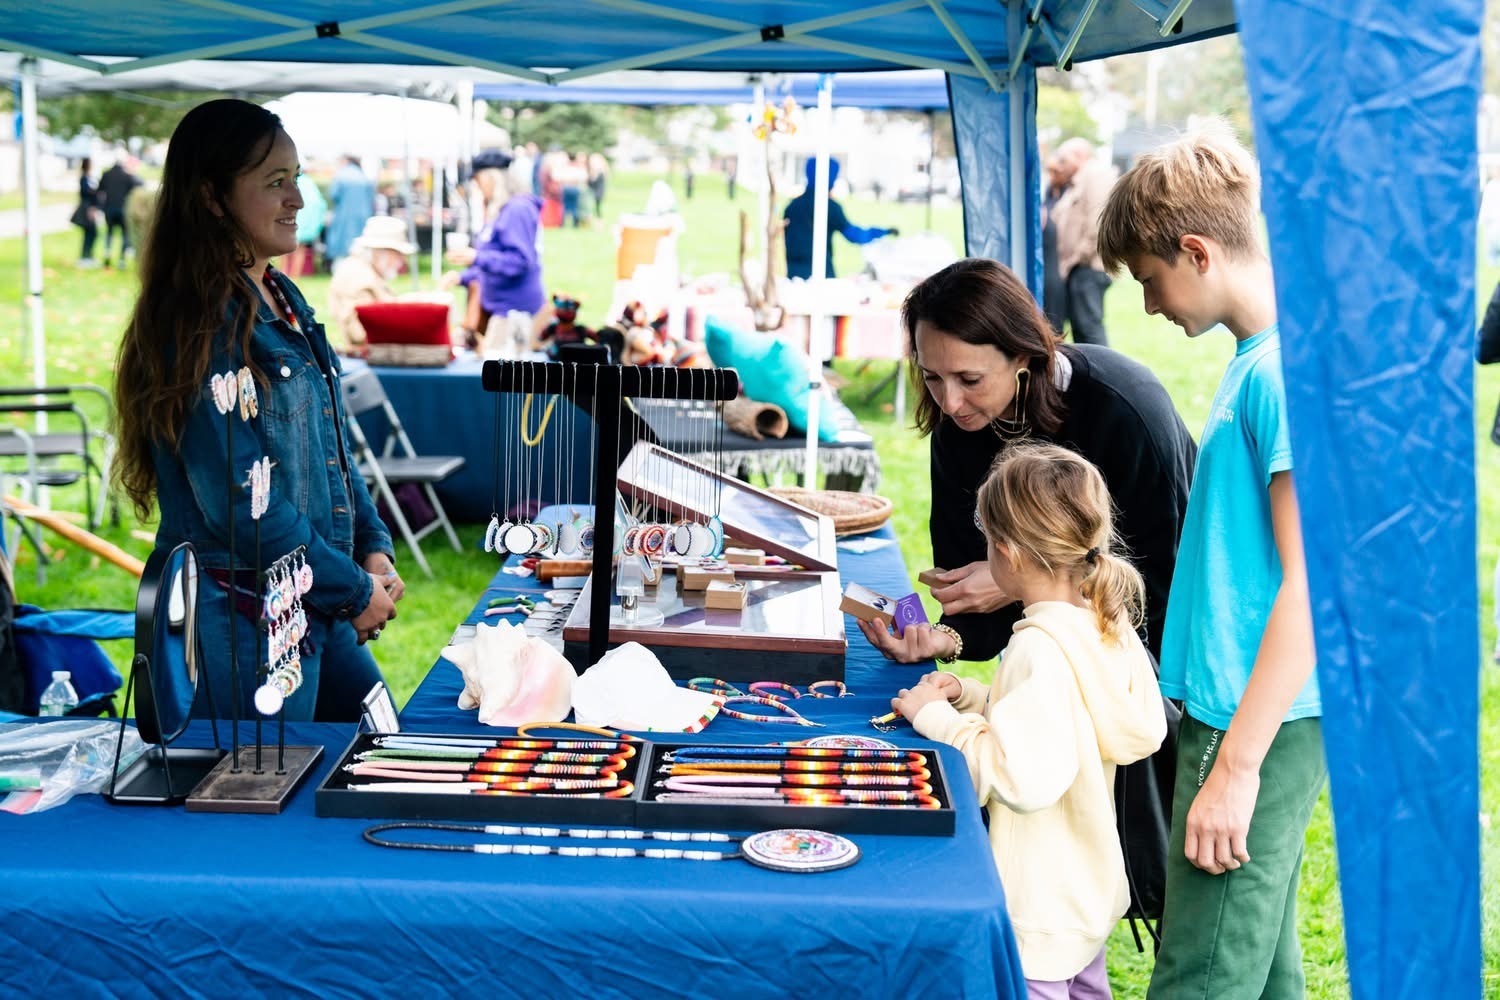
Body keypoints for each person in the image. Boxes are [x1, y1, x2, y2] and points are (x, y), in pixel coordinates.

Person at [1097, 123, 1323, 999]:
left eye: (1150, 281)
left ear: (1195, 251)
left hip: (1249, 719)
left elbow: (1313, 587)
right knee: (1259, 965)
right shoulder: (1252, 361)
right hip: (1238, 710)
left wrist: (1234, 767)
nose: (1149, 306)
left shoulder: (1280, 377)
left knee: (1199, 971)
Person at [111, 99, 401, 723]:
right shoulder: (197, 323)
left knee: (379, 746)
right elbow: (242, 504)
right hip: (245, 618)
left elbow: (332, 449)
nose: (298, 198)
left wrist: (372, 548)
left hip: (314, 594)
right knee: (265, 800)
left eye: (296, 176)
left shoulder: (280, 293)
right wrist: (352, 589)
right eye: (275, 183)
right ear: (212, 198)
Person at [891, 442, 1166, 996]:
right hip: (1083, 892)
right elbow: (1077, 718)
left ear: (1008, 554)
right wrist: (973, 696)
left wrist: (938, 719)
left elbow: (1020, 776)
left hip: (1038, 908)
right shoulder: (1100, 623)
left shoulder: (1039, 648)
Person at [858, 257, 1195, 669]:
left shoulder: (1126, 410)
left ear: (1023, 356)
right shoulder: (958, 425)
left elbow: (1154, 586)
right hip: (1051, 663)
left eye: (970, 379)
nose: (950, 403)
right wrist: (944, 639)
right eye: (932, 377)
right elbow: (968, 581)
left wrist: (1017, 583)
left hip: (1164, 662)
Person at [445, 149, 544, 351]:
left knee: (500, 376)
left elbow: (520, 261)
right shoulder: (503, 210)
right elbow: (495, 259)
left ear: (492, 178)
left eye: (479, 181)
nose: (478, 188)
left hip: (515, 311)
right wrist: (463, 277)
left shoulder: (517, 210)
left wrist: (477, 257)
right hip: (502, 309)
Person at [782, 157, 897, 280]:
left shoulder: (791, 207)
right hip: (821, 274)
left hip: (793, 275)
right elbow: (856, 235)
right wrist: (883, 232)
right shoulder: (829, 207)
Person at [1051, 138, 1118, 345]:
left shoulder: (1094, 174)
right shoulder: (1076, 182)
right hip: (1078, 269)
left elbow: (1097, 223)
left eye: (1065, 159)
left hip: (1088, 268)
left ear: (1080, 155)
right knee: (1082, 331)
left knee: (1089, 330)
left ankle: (1103, 376)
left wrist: (1074, 259)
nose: (1061, 166)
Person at [327, 215, 417, 355]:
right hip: (373, 359)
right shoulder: (358, 276)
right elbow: (359, 334)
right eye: (398, 254)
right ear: (379, 252)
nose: (402, 260)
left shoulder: (365, 272)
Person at [326, 154, 376, 265]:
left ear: (345, 160)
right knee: (360, 248)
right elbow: (372, 199)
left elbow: (333, 195)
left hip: (343, 216)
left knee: (342, 250)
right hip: (363, 217)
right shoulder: (364, 176)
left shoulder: (341, 176)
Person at [1041, 150, 1070, 335]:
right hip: (1047, 251)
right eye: (1050, 172)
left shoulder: (1069, 193)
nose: (1053, 177)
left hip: (1059, 255)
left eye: (1056, 172)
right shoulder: (1049, 192)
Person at [98, 157, 142, 268]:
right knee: (124, 235)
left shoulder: (106, 174)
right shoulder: (127, 176)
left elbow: (100, 190)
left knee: (109, 233)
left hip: (109, 209)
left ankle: (107, 254)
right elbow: (139, 184)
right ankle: (121, 260)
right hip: (123, 209)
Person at [286, 171, 326, 278]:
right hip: (304, 225)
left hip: (295, 222)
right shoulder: (309, 183)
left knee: (287, 251)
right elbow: (319, 204)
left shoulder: (292, 181)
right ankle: (294, 276)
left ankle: (286, 274)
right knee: (299, 250)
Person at [72, 157, 100, 268]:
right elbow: (86, 193)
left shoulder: (90, 178)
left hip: (90, 207)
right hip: (87, 208)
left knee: (92, 233)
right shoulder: (84, 178)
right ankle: (85, 257)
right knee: (90, 232)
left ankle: (88, 256)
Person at [587, 151, 609, 217]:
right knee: (595, 208)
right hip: (592, 192)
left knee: (596, 208)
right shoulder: (592, 170)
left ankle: (598, 221)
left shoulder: (600, 171)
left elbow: (594, 181)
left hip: (597, 192)